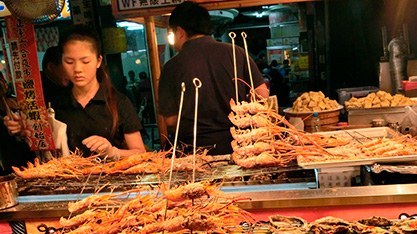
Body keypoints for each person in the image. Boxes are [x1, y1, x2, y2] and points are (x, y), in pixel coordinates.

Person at [4, 25, 146, 159]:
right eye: (69, 62)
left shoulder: (118, 102)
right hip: (67, 180)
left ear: (98, 61)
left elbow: (140, 152)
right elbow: (42, 144)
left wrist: (113, 152)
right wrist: (23, 129)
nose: (77, 69)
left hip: (113, 181)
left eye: (85, 61)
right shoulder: (53, 104)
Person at [158, 1, 269, 155]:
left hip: (195, 152)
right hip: (241, 146)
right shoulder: (235, 52)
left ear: (180, 32)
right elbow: (262, 94)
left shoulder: (171, 67)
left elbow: (170, 120)